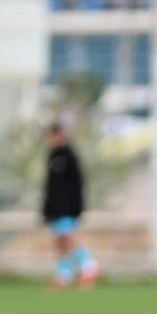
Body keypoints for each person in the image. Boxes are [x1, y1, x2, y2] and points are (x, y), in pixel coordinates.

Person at [41, 123, 99, 289]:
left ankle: (88, 266)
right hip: (55, 209)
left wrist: (77, 207)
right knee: (59, 241)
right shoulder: (52, 156)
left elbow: (77, 184)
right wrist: (47, 209)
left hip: (67, 207)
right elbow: (50, 187)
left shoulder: (69, 156)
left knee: (68, 237)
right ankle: (64, 274)